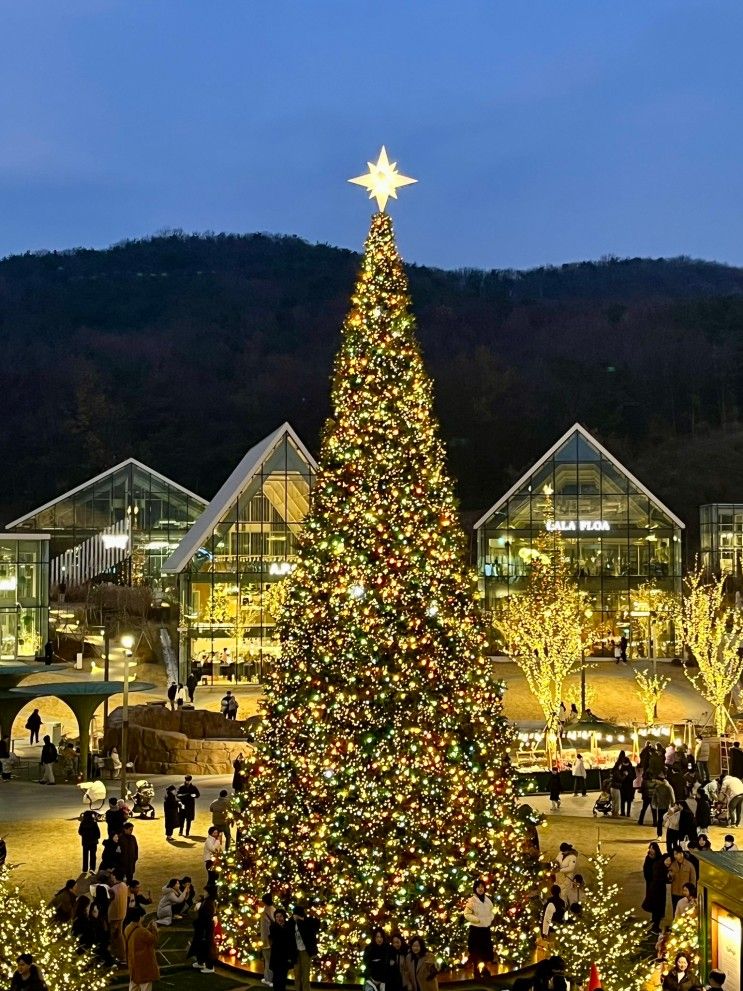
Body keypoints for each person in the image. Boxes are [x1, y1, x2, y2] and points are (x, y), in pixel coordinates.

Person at [124, 904, 160, 991]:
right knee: (145, 986)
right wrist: (154, 929)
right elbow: (153, 940)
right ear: (139, 917)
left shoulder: (128, 928)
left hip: (133, 962)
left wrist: (147, 929)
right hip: (144, 965)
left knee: (133, 985)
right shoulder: (142, 931)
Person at [463, 880, 494, 978]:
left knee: (486, 951)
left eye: (482, 887)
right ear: (475, 889)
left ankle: (485, 969)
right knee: (476, 952)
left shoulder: (488, 900)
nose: (480, 889)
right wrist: (476, 920)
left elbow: (491, 911)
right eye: (478, 887)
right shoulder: (472, 901)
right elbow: (466, 914)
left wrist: (490, 918)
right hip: (476, 930)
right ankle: (476, 970)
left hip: (485, 929)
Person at [189, 883, 219, 974]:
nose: (204, 893)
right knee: (200, 945)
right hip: (202, 927)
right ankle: (200, 962)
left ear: (209, 892)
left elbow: (207, 917)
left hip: (205, 929)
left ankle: (209, 966)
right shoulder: (207, 901)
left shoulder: (209, 903)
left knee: (207, 946)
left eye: (205, 891)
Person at [289, 905, 320, 991]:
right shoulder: (291, 922)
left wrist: (301, 920)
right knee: (297, 974)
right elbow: (287, 931)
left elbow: (315, 925)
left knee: (305, 975)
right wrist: (293, 920)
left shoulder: (307, 921)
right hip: (295, 952)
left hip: (305, 951)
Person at [642, 842, 668, 934]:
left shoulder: (660, 859)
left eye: (653, 848)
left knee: (659, 906)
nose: (651, 850)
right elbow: (646, 872)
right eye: (650, 848)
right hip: (651, 886)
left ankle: (655, 924)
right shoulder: (648, 859)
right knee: (654, 905)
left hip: (660, 887)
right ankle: (654, 924)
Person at [269, 908, 295, 991]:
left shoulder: (288, 926)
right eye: (277, 917)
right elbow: (278, 938)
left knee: (283, 978)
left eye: (280, 916)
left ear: (284, 917)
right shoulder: (273, 927)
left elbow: (290, 941)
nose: (279, 918)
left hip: (285, 957)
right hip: (276, 957)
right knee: (276, 978)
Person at [108, 867, 129, 965]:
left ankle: (120, 957)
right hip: (122, 914)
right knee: (119, 935)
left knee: (115, 938)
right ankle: (122, 956)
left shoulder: (112, 889)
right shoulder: (124, 885)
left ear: (115, 876)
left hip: (114, 916)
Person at [259, 894, 275, 987]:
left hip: (267, 940)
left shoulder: (265, 912)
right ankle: (271, 978)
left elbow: (264, 929)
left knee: (268, 960)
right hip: (274, 940)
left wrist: (264, 941)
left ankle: (268, 979)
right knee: (272, 959)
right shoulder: (274, 910)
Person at [652, 774, 675, 839]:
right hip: (660, 807)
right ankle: (659, 835)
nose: (656, 781)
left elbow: (672, 798)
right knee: (659, 821)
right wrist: (654, 804)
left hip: (667, 807)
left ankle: (670, 836)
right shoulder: (657, 787)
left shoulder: (668, 787)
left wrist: (673, 807)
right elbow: (654, 796)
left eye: (657, 780)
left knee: (669, 822)